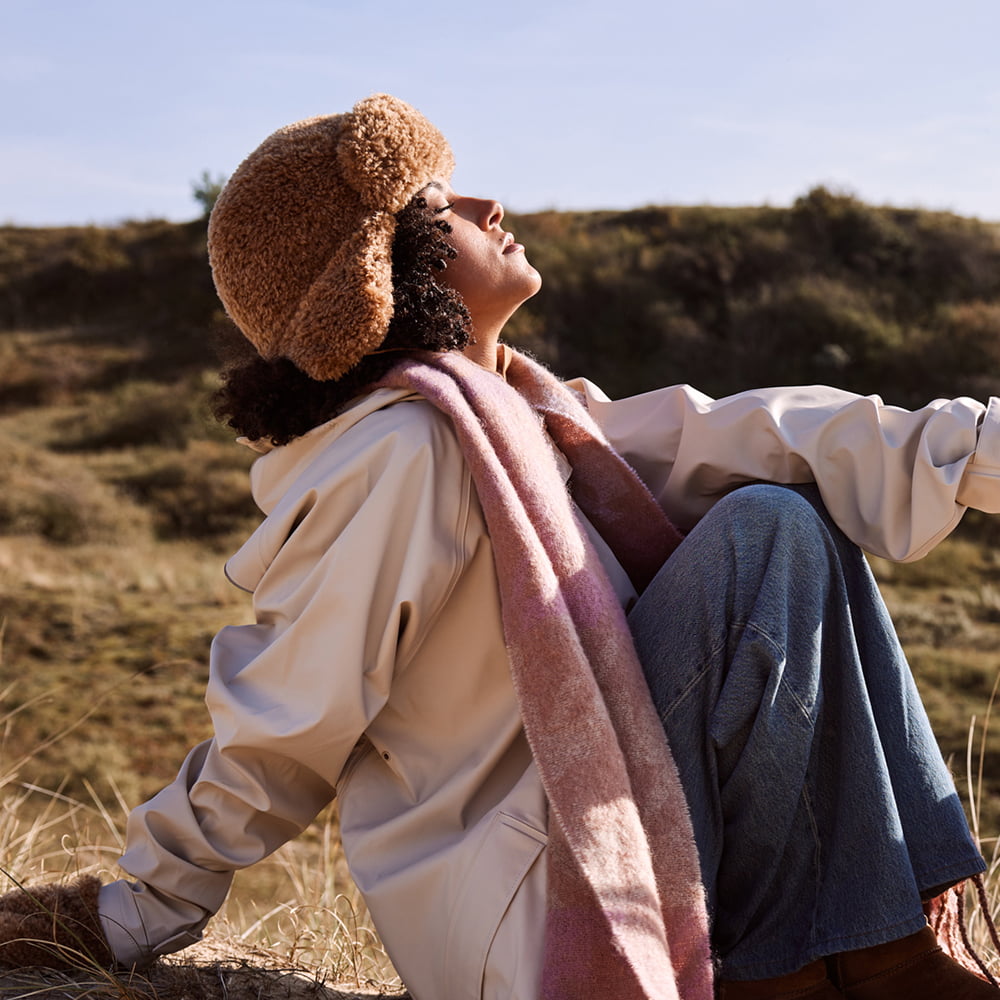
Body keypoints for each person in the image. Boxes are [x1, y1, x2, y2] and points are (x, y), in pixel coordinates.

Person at [1, 93, 998, 1000]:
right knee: (765, 534)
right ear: (378, 270)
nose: (486, 202)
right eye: (439, 206)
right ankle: (867, 966)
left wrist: (973, 449)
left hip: (604, 827)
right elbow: (286, 716)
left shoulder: (524, 412)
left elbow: (754, 432)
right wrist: (130, 910)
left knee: (789, 508)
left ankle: (876, 953)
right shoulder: (402, 452)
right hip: (531, 901)